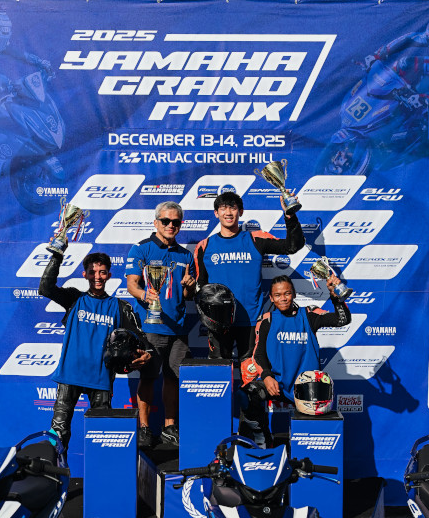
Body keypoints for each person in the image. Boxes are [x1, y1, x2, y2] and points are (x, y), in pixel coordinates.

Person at [39, 250, 152, 452]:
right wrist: (57, 256)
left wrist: (146, 353)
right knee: (58, 434)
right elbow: (45, 289)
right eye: (92, 272)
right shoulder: (74, 298)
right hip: (69, 375)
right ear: (85, 274)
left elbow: (141, 339)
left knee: (101, 434)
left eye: (102, 272)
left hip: (100, 379)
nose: (97, 277)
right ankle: (56, 472)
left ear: (109, 275)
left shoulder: (120, 306)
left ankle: (102, 472)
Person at [194, 191, 305, 374]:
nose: (228, 213)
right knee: (218, 376)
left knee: (252, 377)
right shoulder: (204, 246)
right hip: (218, 323)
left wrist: (290, 215)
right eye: (223, 208)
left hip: (251, 321)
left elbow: (292, 246)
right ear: (216, 213)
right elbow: (201, 289)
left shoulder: (255, 239)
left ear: (241, 212)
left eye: (233, 208)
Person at [239, 273, 351, 447]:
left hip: (306, 387)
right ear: (271, 298)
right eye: (277, 295)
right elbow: (259, 354)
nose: (283, 298)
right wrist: (267, 376)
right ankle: (261, 440)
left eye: (287, 293)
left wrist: (335, 296)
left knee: (306, 441)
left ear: (294, 294)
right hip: (277, 384)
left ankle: (302, 452)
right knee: (247, 394)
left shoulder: (309, 315)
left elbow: (342, 319)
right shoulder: (267, 320)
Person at [126, 201, 196, 448]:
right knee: (148, 377)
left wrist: (189, 287)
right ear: (156, 222)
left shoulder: (186, 255)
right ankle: (144, 428)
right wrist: (144, 295)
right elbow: (132, 285)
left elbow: (186, 296)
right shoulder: (141, 249)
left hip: (178, 327)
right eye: (165, 221)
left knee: (173, 378)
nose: (170, 225)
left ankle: (169, 427)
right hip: (150, 325)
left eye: (175, 222)